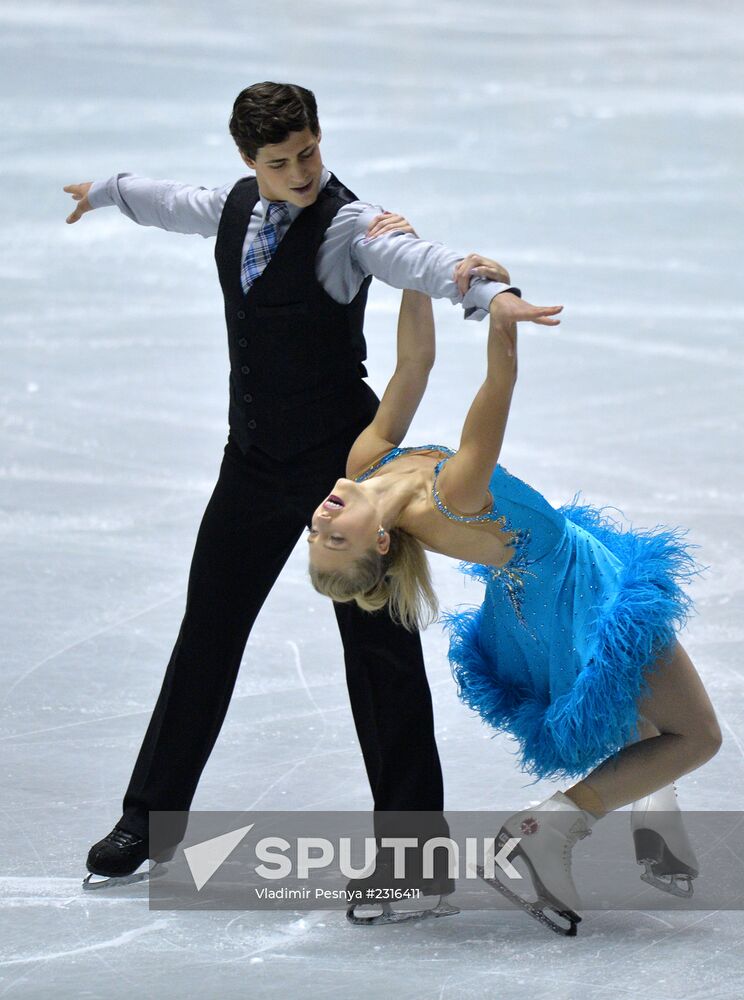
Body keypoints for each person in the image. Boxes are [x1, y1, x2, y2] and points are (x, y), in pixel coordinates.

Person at [63, 81, 534, 911]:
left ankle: (415, 851)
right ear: (249, 162)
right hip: (250, 464)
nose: (301, 172)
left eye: (309, 152)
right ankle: (148, 818)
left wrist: (473, 282)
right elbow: (168, 199)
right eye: (279, 163)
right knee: (206, 635)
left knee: (380, 654)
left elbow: (412, 260)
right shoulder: (237, 205)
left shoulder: (351, 223)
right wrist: (103, 191)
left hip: (343, 469)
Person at [307, 272, 721, 935]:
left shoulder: (365, 462)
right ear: (379, 542)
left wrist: (418, 275)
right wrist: (502, 319)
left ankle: (648, 814)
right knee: (697, 734)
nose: (322, 521)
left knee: (637, 702)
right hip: (571, 588)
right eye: (336, 539)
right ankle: (549, 830)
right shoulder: (452, 496)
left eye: (316, 534)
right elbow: (496, 393)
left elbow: (414, 362)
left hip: (534, 584)